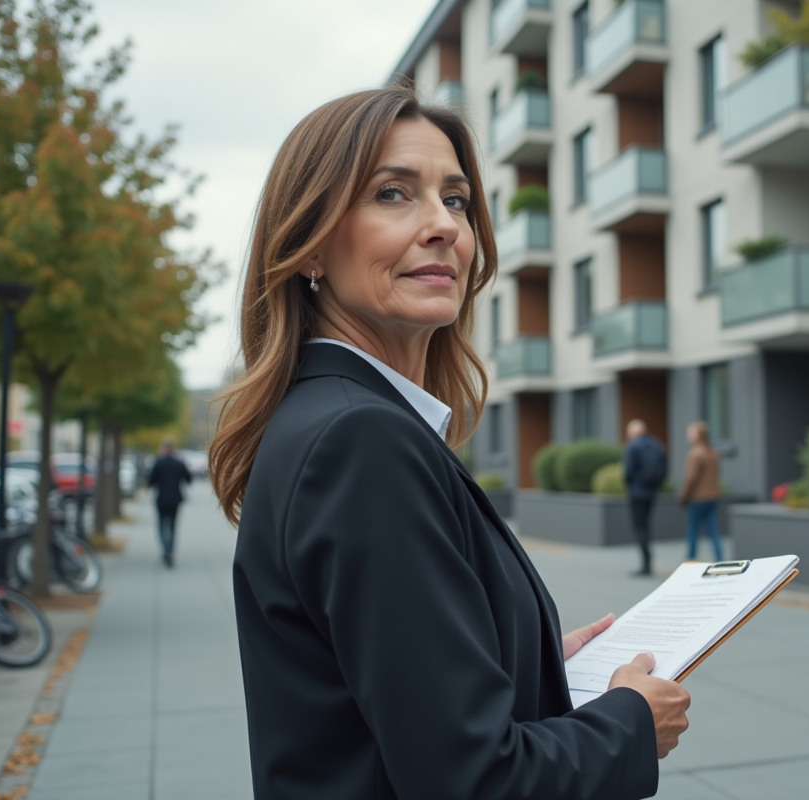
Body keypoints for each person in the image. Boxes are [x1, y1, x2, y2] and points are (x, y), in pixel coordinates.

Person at [208, 87, 689, 800]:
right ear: (309, 246)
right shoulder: (360, 441)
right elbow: (472, 781)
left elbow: (381, 699)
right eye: (393, 194)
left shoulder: (329, 420)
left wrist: (525, 666)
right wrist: (629, 724)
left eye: (457, 200)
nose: (444, 226)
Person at [622, 419, 668, 577]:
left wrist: (631, 486)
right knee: (646, 526)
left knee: (640, 527)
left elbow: (628, 472)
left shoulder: (633, 446)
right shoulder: (656, 444)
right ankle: (648, 561)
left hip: (637, 493)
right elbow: (664, 469)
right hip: (652, 492)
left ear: (633, 433)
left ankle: (646, 564)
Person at [678, 422, 724, 563]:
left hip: (698, 498)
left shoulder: (695, 453)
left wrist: (683, 496)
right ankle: (720, 559)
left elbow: (691, 479)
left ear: (698, 435)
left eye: (691, 433)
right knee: (713, 531)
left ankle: (691, 560)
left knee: (693, 531)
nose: (688, 435)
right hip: (712, 496)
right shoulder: (713, 452)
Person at [147, 437, 192, 567]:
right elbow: (188, 479)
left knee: (161, 526)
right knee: (173, 526)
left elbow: (151, 481)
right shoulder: (179, 463)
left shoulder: (158, 463)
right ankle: (170, 551)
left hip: (161, 499)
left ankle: (165, 550)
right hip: (176, 499)